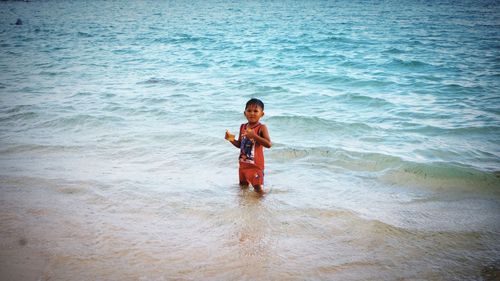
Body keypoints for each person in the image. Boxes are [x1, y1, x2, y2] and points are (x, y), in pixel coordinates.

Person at [225, 98, 272, 194]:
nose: (252, 113)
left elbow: (268, 144)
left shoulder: (261, 128)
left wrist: (254, 136)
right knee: (243, 187)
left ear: (262, 114)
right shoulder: (243, 126)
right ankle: (244, 207)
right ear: (244, 113)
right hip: (243, 165)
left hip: (256, 166)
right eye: (249, 111)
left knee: (258, 190)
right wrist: (230, 139)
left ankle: (261, 207)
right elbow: (240, 145)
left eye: (255, 111)